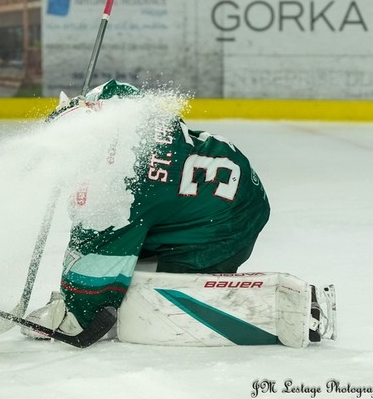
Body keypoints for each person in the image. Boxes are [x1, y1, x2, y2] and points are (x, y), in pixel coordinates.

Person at [22, 79, 336, 347]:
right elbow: (116, 88)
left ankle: (292, 305)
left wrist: (69, 311)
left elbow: (90, 303)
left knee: (153, 291)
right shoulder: (122, 109)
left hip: (224, 226)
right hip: (229, 181)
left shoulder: (115, 198)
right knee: (134, 246)